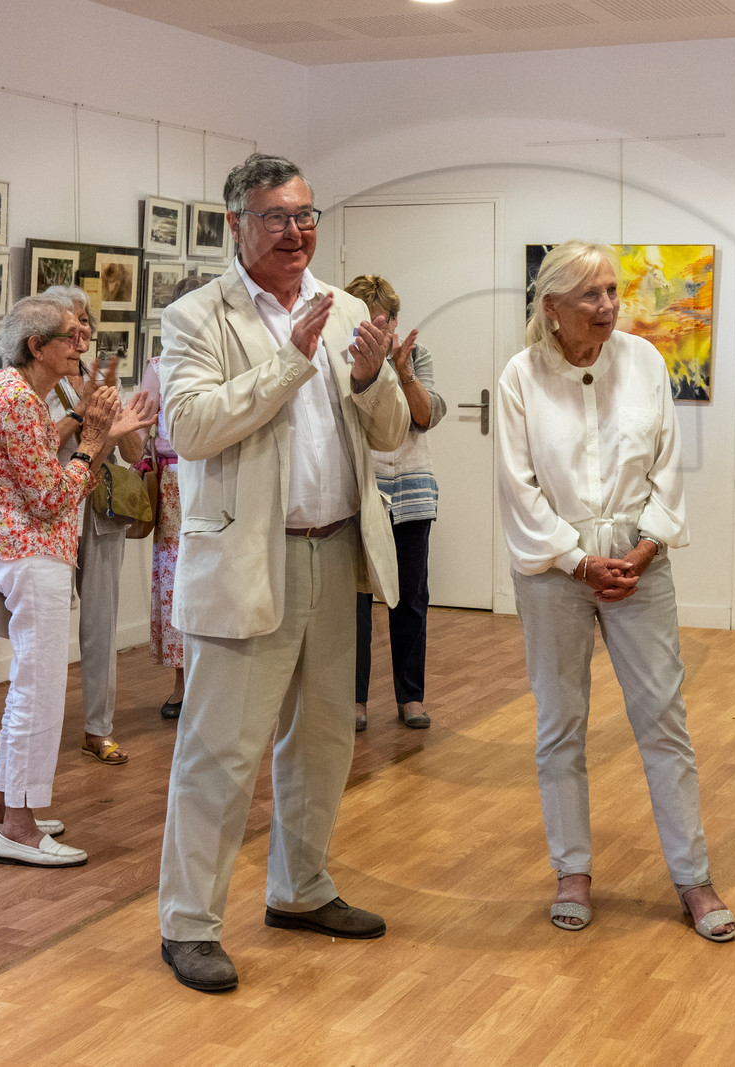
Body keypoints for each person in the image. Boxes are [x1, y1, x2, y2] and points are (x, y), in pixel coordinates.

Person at [156, 154, 409, 993]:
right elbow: (191, 426)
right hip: (245, 559)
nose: (297, 232)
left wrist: (372, 378)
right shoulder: (197, 317)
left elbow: (391, 434)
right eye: (277, 217)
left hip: (337, 549)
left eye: (306, 216)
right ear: (236, 222)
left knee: (326, 739)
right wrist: (289, 361)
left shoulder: (341, 310)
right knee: (219, 753)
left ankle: (300, 890)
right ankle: (189, 923)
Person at [498, 239, 735, 943]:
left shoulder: (645, 361)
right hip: (554, 571)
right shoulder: (521, 376)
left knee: (664, 718)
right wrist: (577, 561)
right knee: (560, 723)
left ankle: (693, 876)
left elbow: (668, 466)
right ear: (552, 308)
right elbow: (519, 487)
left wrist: (640, 548)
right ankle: (572, 869)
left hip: (640, 563)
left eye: (611, 292)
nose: (607, 306)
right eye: (590, 295)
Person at [0, 296, 155, 867]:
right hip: (31, 555)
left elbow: (36, 461)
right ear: (36, 347)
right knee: (39, 692)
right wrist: (95, 444)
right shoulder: (19, 400)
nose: (81, 345)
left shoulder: (8, 391)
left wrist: (100, 431)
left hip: (19, 553)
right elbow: (50, 497)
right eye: (70, 337)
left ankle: (1, 813)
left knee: (30, 685)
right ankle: (20, 829)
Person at [40, 286, 149, 763]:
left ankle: (97, 727)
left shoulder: (98, 378)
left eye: (86, 322)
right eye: (73, 323)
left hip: (97, 504)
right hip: (49, 507)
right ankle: (34, 724)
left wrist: (126, 424)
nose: (83, 331)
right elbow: (41, 444)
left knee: (101, 619)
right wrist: (82, 412)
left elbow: (133, 452)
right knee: (43, 621)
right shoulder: (31, 381)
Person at [344, 273, 447, 732]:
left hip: (411, 494)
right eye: (366, 323)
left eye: (383, 324)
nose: (376, 333)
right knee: (355, 602)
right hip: (360, 495)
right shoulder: (341, 360)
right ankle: (354, 699)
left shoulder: (415, 357)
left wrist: (402, 373)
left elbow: (425, 416)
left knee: (410, 600)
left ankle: (411, 696)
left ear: (396, 323)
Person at [137, 275, 205, 721]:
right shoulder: (159, 367)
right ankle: (182, 683)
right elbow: (142, 428)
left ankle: (214, 680)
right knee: (176, 581)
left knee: (215, 577)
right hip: (177, 484)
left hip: (218, 477)